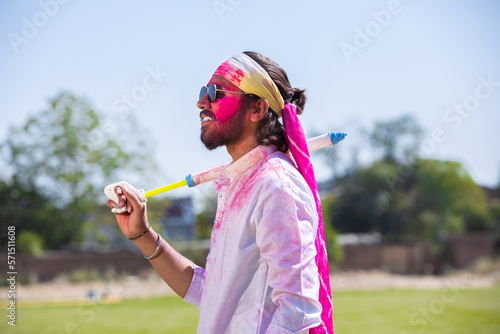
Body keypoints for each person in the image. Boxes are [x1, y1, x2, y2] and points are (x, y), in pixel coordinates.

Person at [107, 51, 333, 333]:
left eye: (216, 92)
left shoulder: (275, 186)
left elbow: (298, 311)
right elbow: (213, 294)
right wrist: (142, 235)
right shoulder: (240, 183)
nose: (202, 102)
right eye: (204, 91)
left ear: (258, 110)